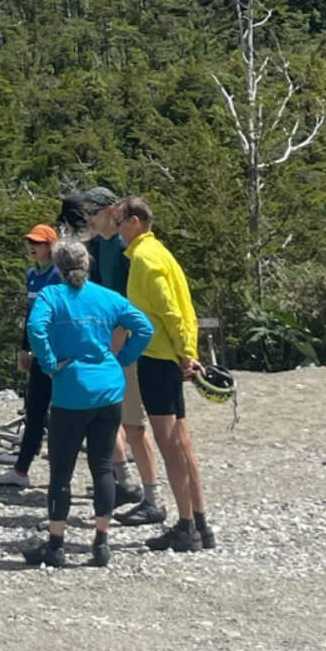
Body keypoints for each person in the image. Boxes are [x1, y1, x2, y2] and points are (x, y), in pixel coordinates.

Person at [23, 238, 153, 570]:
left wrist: (50, 363)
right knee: (102, 466)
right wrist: (122, 357)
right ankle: (101, 542)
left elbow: (36, 328)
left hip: (71, 390)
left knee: (61, 471)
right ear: (87, 264)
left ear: (59, 266)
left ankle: (56, 543)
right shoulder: (108, 297)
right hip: (109, 388)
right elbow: (144, 327)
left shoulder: (53, 295)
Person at [115, 199, 215, 552]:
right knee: (182, 442)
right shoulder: (160, 252)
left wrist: (186, 353)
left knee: (170, 444)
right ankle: (201, 524)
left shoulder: (146, 258)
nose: (116, 227)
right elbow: (183, 307)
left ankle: (186, 526)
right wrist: (187, 350)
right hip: (166, 354)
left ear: (137, 221)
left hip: (158, 357)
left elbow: (170, 309)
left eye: (119, 220)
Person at [82, 185, 163, 527]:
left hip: (126, 341)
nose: (88, 218)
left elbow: (130, 301)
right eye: (85, 212)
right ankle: (126, 483)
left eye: (93, 211)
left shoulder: (122, 247)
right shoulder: (99, 246)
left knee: (133, 422)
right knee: (107, 416)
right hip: (107, 340)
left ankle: (152, 497)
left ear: (112, 211)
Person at [0, 224, 60, 490]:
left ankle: (60, 474)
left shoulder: (58, 275)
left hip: (57, 351)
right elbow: (31, 316)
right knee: (34, 411)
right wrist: (24, 348)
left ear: (51, 246)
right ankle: (21, 470)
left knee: (61, 414)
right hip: (38, 352)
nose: (33, 246)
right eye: (30, 242)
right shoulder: (32, 275)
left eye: (39, 243)